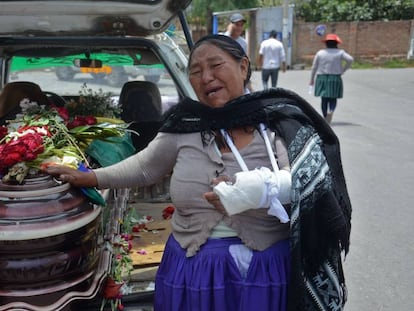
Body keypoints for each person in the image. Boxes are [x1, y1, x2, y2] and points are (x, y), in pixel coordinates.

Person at [46, 34, 352, 311]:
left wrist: (250, 189)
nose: (206, 77)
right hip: (193, 269)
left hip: (265, 269)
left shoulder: (277, 123)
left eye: (216, 65)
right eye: (195, 71)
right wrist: (89, 177)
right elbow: (143, 167)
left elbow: (304, 182)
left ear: (243, 66)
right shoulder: (185, 125)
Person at [310, 33, 353, 124]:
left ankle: (325, 116)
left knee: (324, 99)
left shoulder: (320, 53)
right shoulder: (340, 53)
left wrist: (312, 78)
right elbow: (350, 59)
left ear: (326, 43)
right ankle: (331, 110)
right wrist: (343, 69)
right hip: (335, 78)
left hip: (322, 78)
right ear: (336, 43)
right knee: (333, 98)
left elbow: (314, 66)